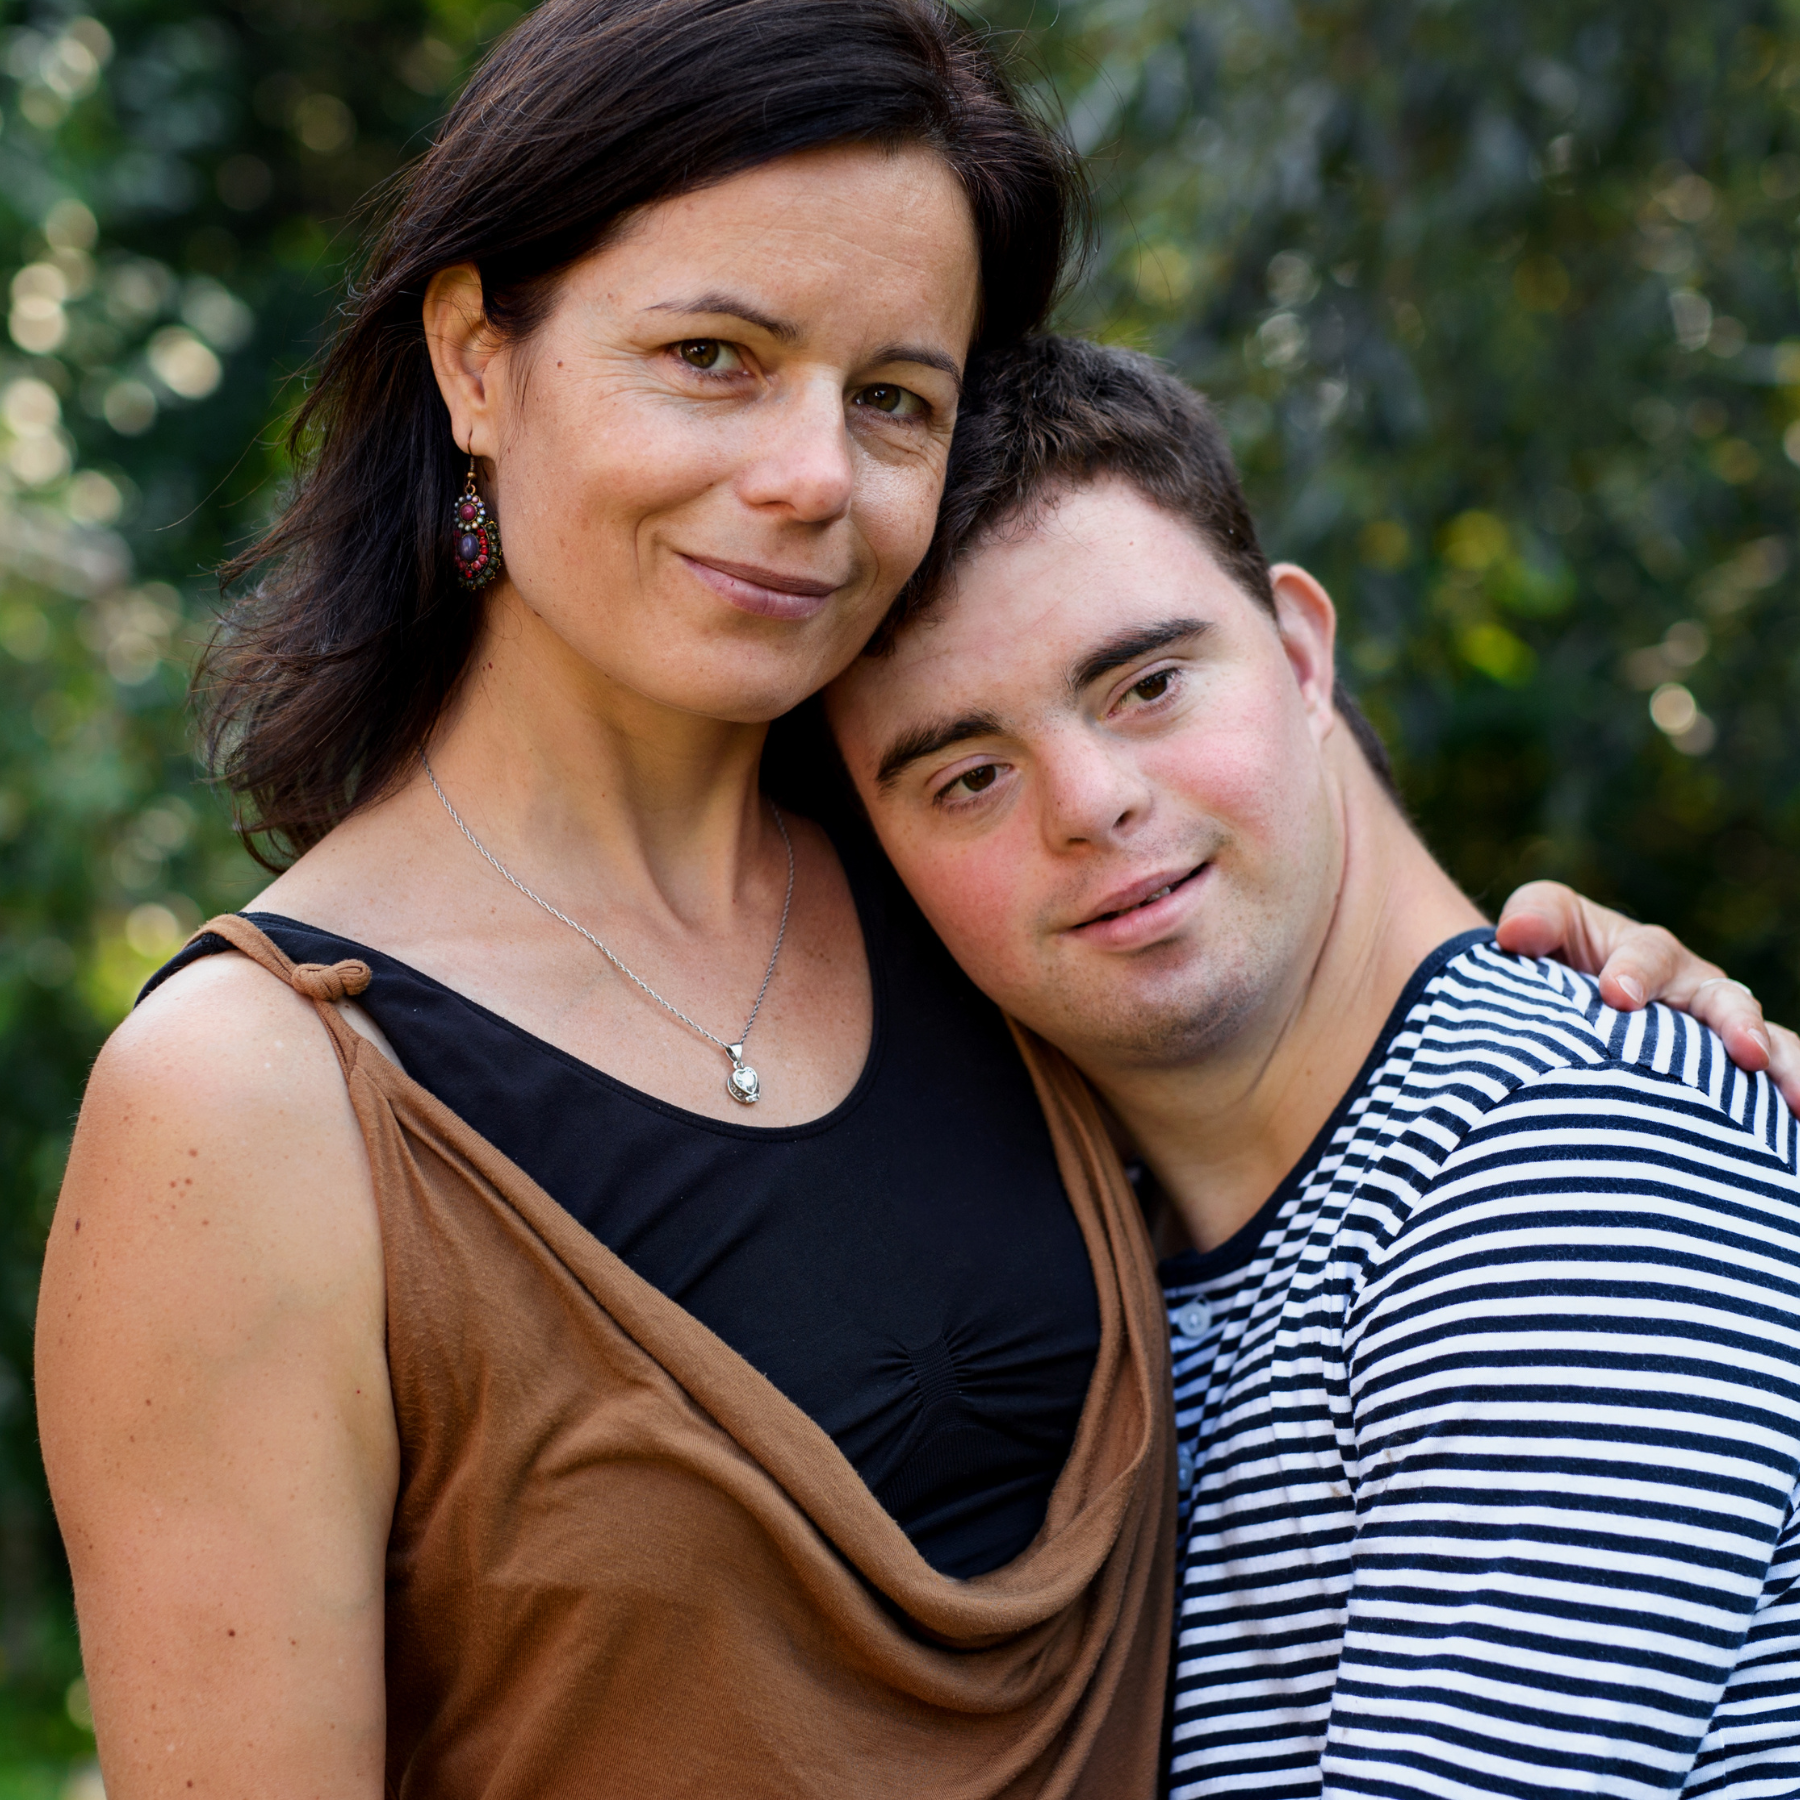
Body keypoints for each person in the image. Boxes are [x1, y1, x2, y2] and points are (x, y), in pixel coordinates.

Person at [33, 0, 1774, 1789]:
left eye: (892, 400)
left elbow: (1379, 1083)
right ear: (479, 359)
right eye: (713, 354)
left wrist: (1605, 1030)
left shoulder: (983, 898)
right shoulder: (253, 1101)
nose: (812, 477)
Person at [827, 333, 1800, 1800]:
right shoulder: (1111, 1270)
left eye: (1148, 683)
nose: (1091, 802)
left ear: (1299, 652)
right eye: (969, 776)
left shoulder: (1561, 1162)